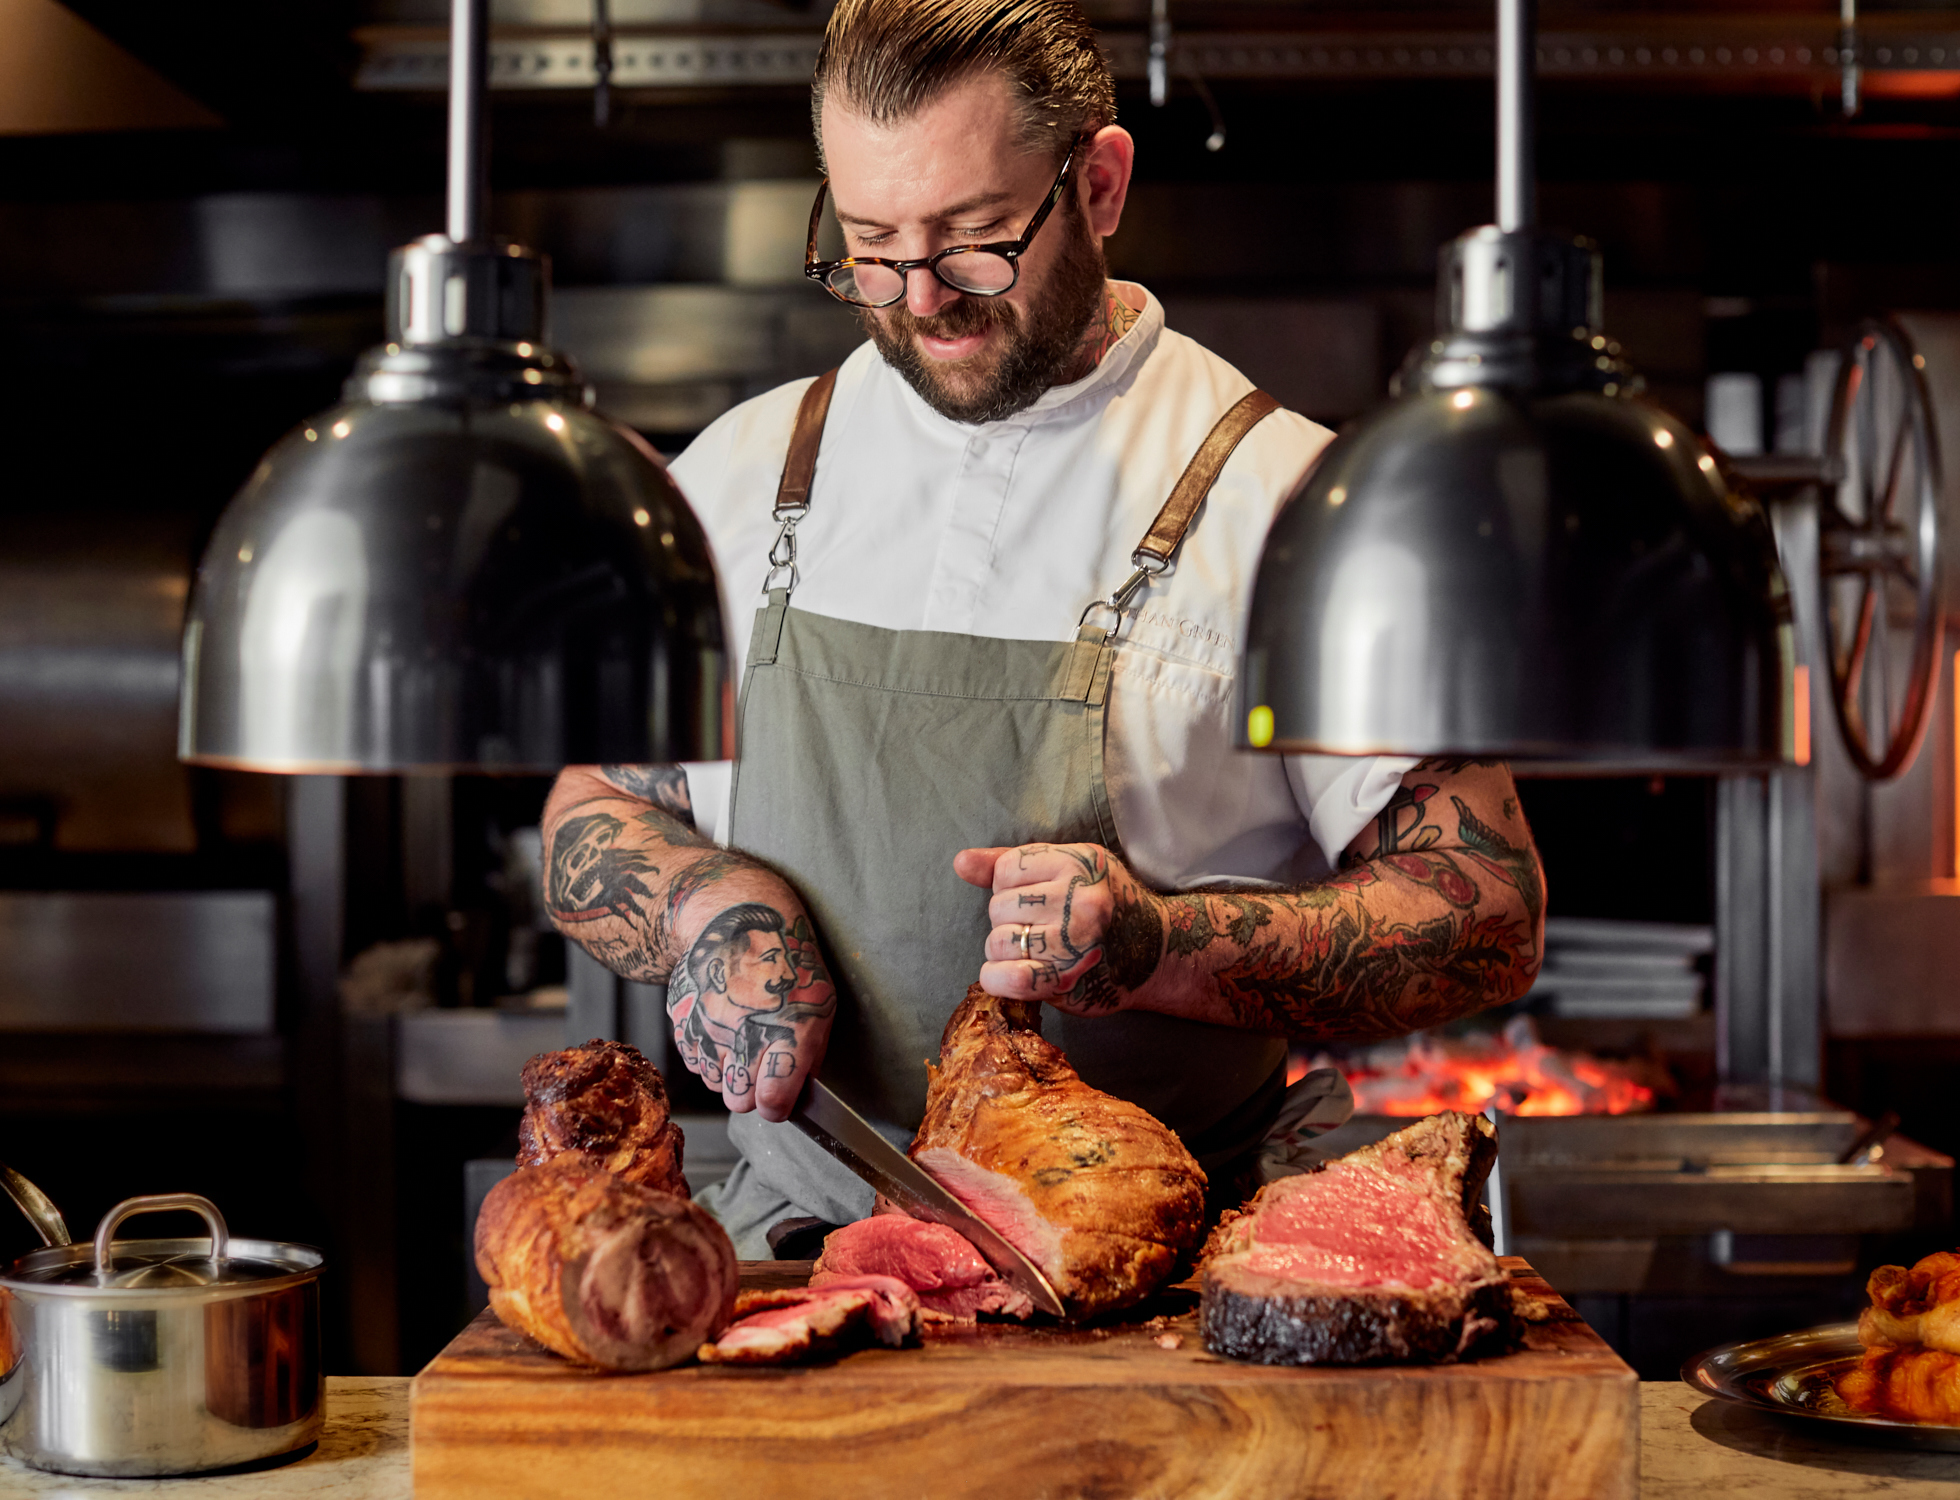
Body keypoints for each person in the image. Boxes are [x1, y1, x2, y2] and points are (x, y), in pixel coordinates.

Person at [542, 0, 1546, 1256]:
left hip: (1170, 1282)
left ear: (1101, 183)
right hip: (799, 1255)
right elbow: (595, 801)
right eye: (869, 247)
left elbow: (1483, 910)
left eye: (973, 244)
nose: (923, 302)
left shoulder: (1292, 503)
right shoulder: (740, 476)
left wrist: (1160, 949)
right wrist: (706, 907)